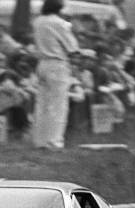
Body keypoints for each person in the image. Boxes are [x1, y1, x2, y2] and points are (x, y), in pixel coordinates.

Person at [31, 0, 79, 148]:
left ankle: (40, 140)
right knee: (58, 105)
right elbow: (72, 47)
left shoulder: (37, 22)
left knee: (42, 104)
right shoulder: (60, 23)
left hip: (42, 63)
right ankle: (54, 141)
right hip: (57, 64)